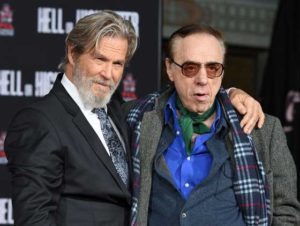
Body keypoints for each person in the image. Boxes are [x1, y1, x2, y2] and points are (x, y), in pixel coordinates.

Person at [5, 11, 265, 226]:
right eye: (100, 59)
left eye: (118, 64)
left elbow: (178, 97)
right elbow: (33, 217)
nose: (108, 73)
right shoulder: (40, 121)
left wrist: (230, 94)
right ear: (73, 53)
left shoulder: (121, 112)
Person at [126, 24, 300, 226]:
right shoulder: (135, 118)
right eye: (190, 68)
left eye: (212, 68)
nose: (202, 79)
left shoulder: (263, 130)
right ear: (170, 69)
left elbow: (286, 214)